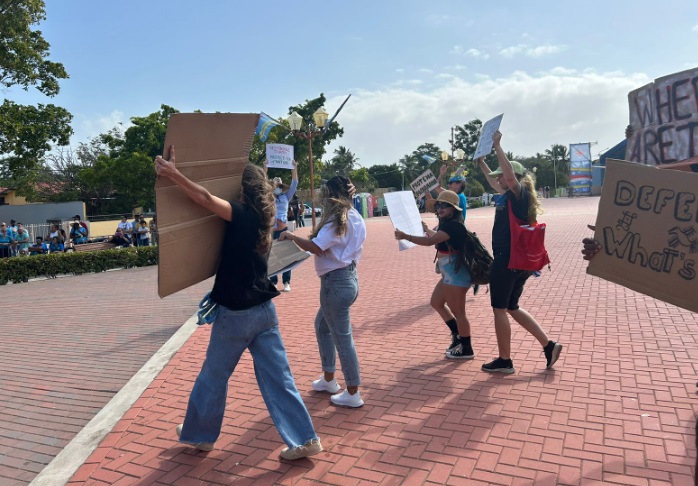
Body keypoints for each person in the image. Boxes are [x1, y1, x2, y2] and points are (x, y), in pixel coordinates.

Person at [154, 146, 322, 460]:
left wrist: (174, 174)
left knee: (213, 377)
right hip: (265, 312)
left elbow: (204, 199)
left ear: (241, 189)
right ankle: (305, 438)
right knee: (279, 379)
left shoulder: (241, 214)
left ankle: (201, 435)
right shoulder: (265, 217)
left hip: (236, 315)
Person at [477, 130, 562, 374]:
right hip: (519, 262)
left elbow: (509, 178)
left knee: (499, 309)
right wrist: (482, 162)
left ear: (511, 177)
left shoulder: (518, 195)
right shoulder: (508, 196)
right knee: (512, 306)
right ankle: (549, 345)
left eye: (502, 177)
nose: (499, 180)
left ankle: (505, 360)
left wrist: (496, 146)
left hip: (507, 261)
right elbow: (495, 180)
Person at [279, 175, 367, 408]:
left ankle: (353, 391)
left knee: (342, 337)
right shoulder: (355, 216)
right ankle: (329, 379)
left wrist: (291, 236)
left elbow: (317, 247)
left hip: (335, 283)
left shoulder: (336, 220)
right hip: (348, 278)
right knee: (323, 327)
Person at [394, 191, 475, 359]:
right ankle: (457, 336)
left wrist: (405, 236)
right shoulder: (447, 224)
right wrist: (426, 229)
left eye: (444, 205)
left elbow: (430, 241)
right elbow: (437, 237)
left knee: (459, 312)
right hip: (449, 272)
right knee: (436, 303)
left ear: (453, 208)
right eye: (438, 205)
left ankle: (466, 348)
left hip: (456, 273)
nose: (440, 208)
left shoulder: (453, 225)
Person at [264, 159, 298, 292]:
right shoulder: (268, 196)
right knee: (272, 256)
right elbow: (262, 183)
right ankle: (273, 281)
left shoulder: (286, 197)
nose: (277, 187)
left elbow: (294, 183)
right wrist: (265, 167)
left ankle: (287, 282)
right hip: (271, 229)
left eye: (279, 185)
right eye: (275, 185)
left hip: (283, 229)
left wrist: (294, 168)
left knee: (287, 256)